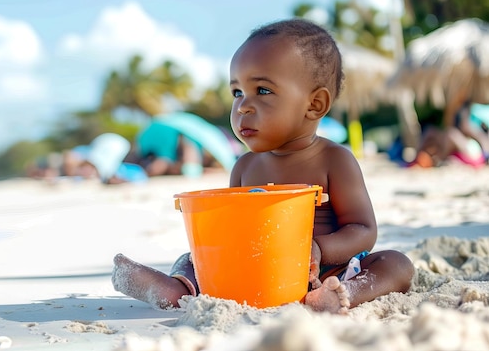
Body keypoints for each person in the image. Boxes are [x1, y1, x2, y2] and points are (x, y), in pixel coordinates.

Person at [111, 18, 414, 314]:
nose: (242, 105)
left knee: (396, 264)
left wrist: (318, 248)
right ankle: (177, 288)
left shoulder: (334, 160)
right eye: (237, 92)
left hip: (323, 272)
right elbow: (234, 231)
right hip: (257, 274)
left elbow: (363, 230)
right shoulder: (245, 166)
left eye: (263, 91)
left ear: (314, 104)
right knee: (193, 259)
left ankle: (342, 295)